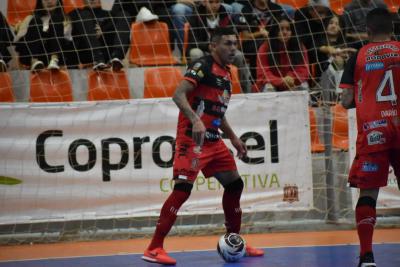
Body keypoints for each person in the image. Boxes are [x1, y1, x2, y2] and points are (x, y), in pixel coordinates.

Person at [142, 27, 264, 265]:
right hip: (192, 138)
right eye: (227, 44)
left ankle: (235, 240)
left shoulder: (228, 73)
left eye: (234, 44)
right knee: (182, 189)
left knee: (234, 184)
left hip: (213, 139)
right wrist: (196, 120)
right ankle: (154, 247)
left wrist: (234, 137)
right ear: (213, 46)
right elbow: (178, 95)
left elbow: (217, 112)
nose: (233, 48)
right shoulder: (202, 66)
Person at [339, 8, 400, 267]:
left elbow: (346, 100)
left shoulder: (358, 56)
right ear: (393, 29)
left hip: (374, 132)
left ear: (367, 31)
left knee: (369, 194)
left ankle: (367, 257)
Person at [187, 0, 251, 92]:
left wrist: (224, 47)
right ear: (204, 3)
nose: (214, 5)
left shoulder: (226, 16)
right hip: (204, 49)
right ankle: (197, 89)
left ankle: (246, 92)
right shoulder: (195, 17)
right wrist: (209, 47)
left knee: (239, 55)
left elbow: (233, 35)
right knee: (195, 53)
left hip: (223, 49)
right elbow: (193, 41)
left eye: (217, 2)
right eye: (211, 2)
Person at [14, 0, 75, 71]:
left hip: (58, 54)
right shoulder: (31, 18)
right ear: (40, 2)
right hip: (34, 53)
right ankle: (34, 62)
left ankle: (54, 60)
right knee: (35, 20)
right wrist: (21, 27)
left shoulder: (66, 18)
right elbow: (18, 41)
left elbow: (68, 40)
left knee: (56, 18)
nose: (49, 1)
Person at [70, 0, 131, 71]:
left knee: (124, 15)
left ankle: (117, 56)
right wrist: (92, 33)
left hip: (108, 52)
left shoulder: (112, 13)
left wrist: (102, 32)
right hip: (88, 53)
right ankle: (97, 57)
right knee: (83, 16)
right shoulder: (76, 14)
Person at [255, 15, 309, 92]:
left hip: (292, 83)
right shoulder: (265, 48)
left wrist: (291, 77)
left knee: (304, 85)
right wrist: (281, 81)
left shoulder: (300, 47)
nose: (285, 32)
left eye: (288, 29)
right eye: (281, 29)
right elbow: (263, 74)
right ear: (275, 31)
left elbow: (304, 70)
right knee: (268, 87)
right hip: (272, 84)